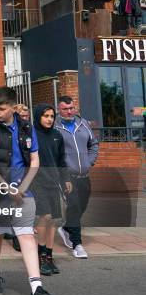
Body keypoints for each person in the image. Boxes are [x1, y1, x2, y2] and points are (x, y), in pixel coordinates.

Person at [0, 86, 59, 295]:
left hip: (23, 192)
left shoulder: (26, 128)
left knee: (26, 237)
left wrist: (21, 190)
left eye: (2, 108)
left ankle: (37, 290)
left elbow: (34, 162)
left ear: (13, 107)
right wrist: (7, 190)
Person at [54, 96, 99, 259]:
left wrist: (90, 161)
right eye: (65, 109)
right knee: (73, 205)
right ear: (59, 109)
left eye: (71, 108)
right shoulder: (55, 127)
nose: (69, 111)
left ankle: (66, 228)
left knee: (82, 205)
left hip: (84, 174)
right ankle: (77, 244)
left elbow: (93, 144)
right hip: (66, 176)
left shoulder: (83, 123)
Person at [32, 104, 72, 275]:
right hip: (37, 182)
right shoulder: (32, 135)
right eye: (45, 116)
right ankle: (40, 255)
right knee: (45, 216)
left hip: (54, 182)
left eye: (51, 116)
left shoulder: (57, 135)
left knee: (54, 220)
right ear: (38, 117)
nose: (49, 119)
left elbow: (61, 160)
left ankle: (49, 255)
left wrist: (66, 179)